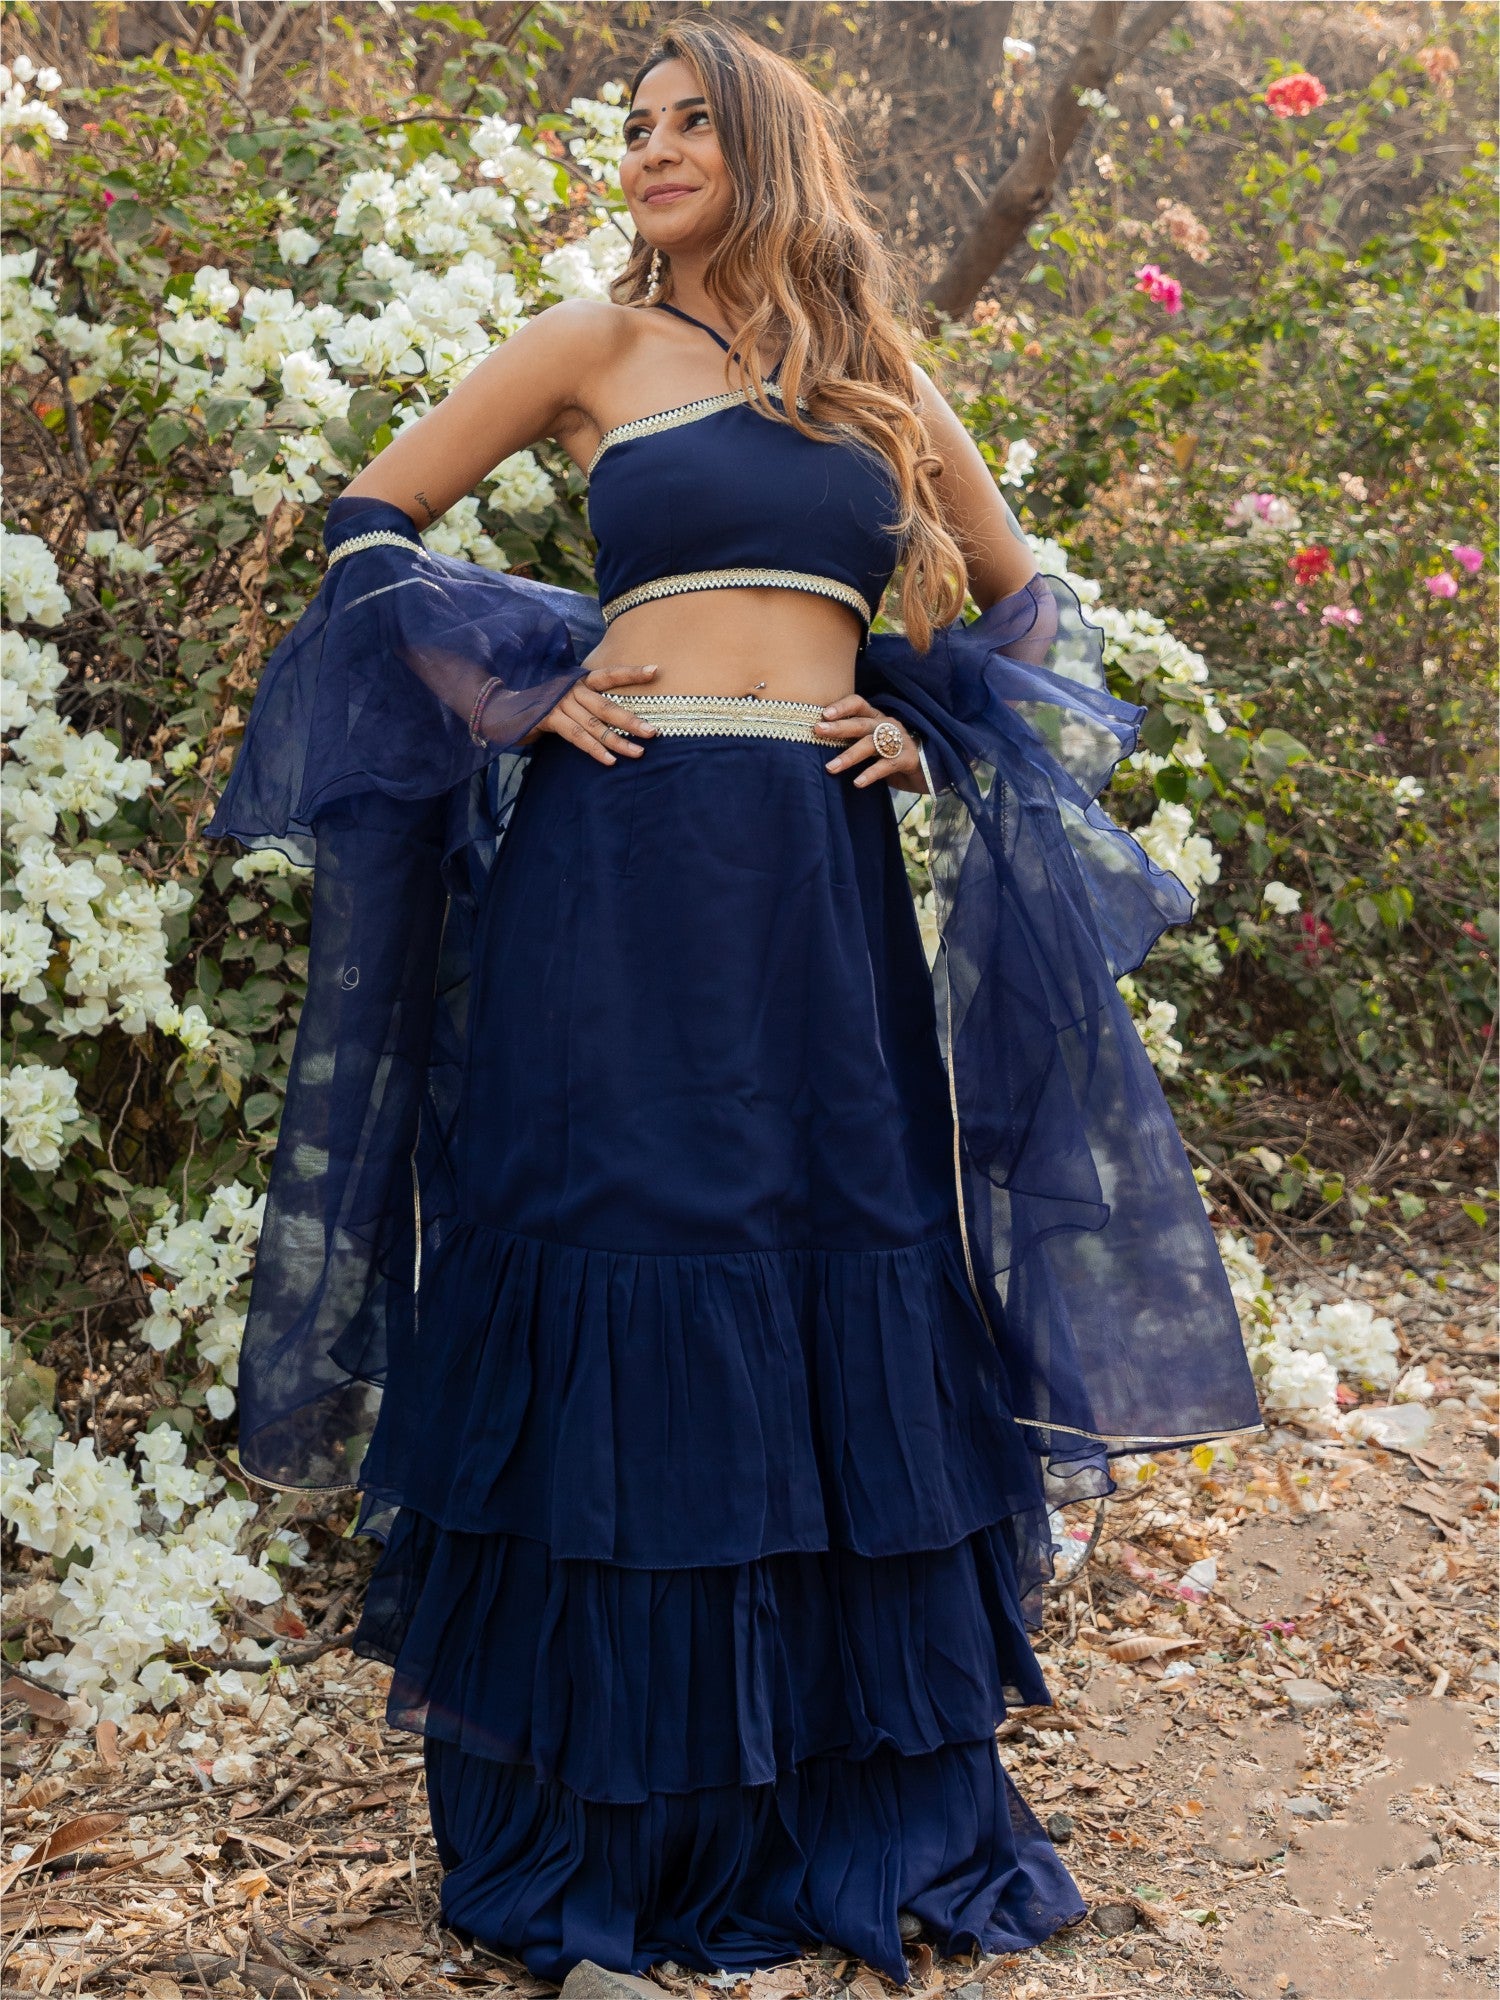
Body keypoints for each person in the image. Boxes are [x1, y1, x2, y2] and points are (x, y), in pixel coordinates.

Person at [207, 17, 1261, 1988]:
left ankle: (844, 1805)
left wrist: (922, 724)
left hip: (814, 884)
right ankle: (619, 1826)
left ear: (771, 144)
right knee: (625, 1244)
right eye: (637, 127)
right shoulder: (590, 348)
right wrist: (517, 688)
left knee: (826, 1247)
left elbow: (1017, 601)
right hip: (617, 867)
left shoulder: (874, 380)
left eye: (693, 121)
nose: (654, 149)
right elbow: (368, 523)